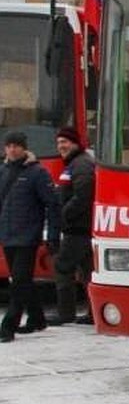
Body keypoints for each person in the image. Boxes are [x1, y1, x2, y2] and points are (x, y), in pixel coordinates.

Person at [0, 130, 60, 342]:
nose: (12, 149)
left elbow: (52, 205)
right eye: (9, 145)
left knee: (19, 282)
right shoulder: (3, 171)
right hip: (7, 235)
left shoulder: (37, 173)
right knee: (21, 280)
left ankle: (8, 327)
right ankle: (37, 318)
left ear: (24, 147)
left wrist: (52, 236)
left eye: (16, 145)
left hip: (27, 237)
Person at [51, 125, 95, 325]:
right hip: (79, 228)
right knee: (87, 271)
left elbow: (83, 195)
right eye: (59, 143)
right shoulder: (74, 163)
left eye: (65, 142)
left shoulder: (81, 164)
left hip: (78, 228)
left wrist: (64, 213)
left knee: (62, 267)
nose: (61, 146)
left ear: (75, 143)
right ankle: (93, 313)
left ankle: (65, 313)